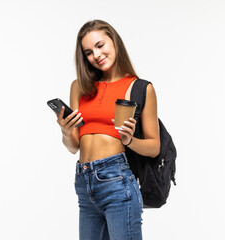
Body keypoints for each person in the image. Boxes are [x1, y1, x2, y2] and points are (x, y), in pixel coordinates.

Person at [54, 19, 160, 240]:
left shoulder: (139, 88)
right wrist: (65, 131)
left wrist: (129, 140)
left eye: (100, 45)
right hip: (84, 183)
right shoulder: (79, 87)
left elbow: (154, 147)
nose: (97, 55)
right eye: (89, 52)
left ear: (114, 41)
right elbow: (74, 146)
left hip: (117, 181)